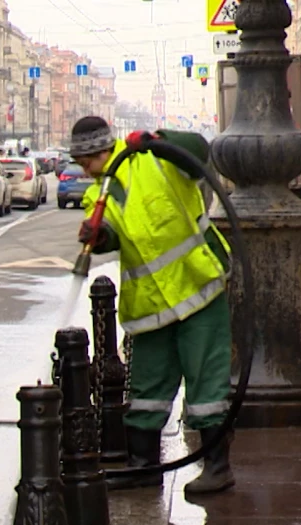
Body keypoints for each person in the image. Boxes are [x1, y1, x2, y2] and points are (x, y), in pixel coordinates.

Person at [71, 115, 235, 495]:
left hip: (197, 290)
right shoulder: (99, 193)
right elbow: (110, 232)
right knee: (147, 390)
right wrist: (98, 236)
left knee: (207, 386)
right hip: (149, 308)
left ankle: (218, 467)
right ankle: (143, 465)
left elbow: (198, 149)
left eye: (86, 159)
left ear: (102, 149)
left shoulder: (155, 159)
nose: (82, 166)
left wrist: (159, 138)